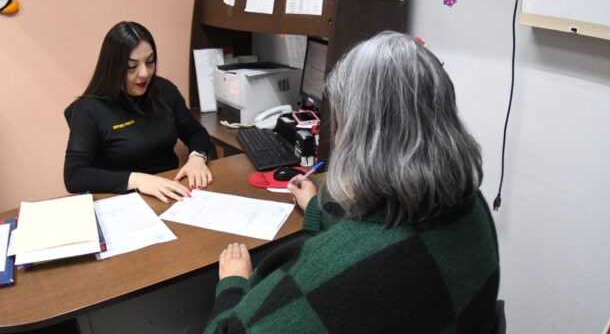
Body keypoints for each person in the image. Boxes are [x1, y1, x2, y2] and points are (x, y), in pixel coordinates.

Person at [204, 32, 500, 333]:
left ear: (359, 134)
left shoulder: (329, 272)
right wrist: (316, 209)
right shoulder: (472, 204)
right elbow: (388, 230)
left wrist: (233, 284)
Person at [64, 21, 212, 203]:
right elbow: (74, 176)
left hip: (171, 193)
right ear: (113, 68)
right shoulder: (88, 109)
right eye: (131, 66)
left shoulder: (164, 90)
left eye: (150, 62)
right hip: (122, 199)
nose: (144, 73)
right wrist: (138, 180)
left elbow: (195, 132)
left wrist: (197, 157)